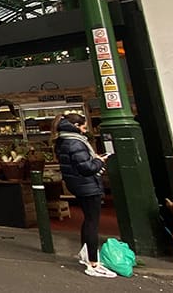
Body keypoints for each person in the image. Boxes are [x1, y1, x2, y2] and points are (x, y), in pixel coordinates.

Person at [55, 113, 117, 278]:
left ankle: (86, 254)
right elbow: (87, 168)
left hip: (76, 184)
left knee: (88, 219)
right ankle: (93, 263)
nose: (85, 129)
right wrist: (99, 161)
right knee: (92, 222)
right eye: (83, 126)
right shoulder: (75, 142)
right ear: (76, 126)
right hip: (86, 185)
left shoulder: (62, 140)